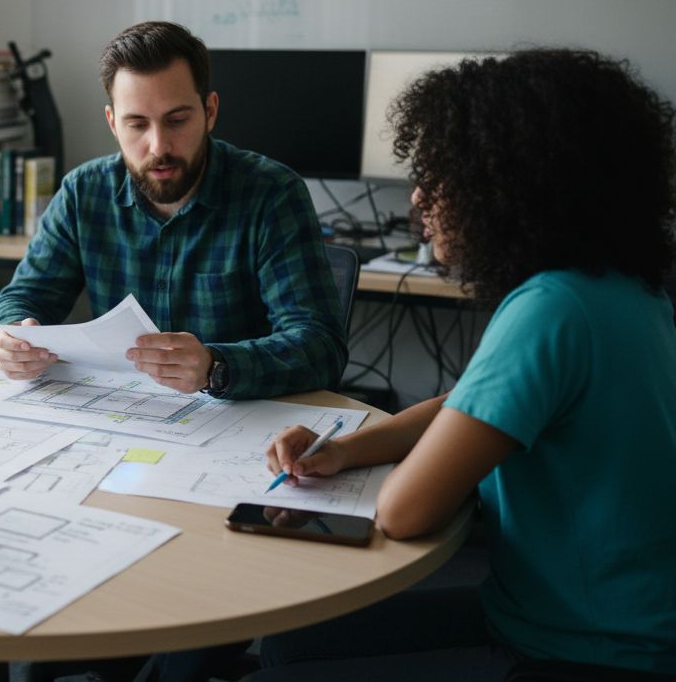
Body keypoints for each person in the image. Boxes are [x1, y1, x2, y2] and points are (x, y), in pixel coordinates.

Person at [242, 49, 676, 681]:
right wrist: (344, 451)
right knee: (291, 645)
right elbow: (464, 406)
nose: (419, 198)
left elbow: (403, 513)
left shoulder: (550, 310)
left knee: (279, 669)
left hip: (588, 651)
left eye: (439, 176)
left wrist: (364, 477)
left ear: (508, 187)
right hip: (580, 616)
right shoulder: (620, 287)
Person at [0, 21, 346, 401]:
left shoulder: (272, 194)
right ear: (113, 123)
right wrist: (9, 338)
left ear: (209, 111)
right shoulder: (83, 192)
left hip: (240, 421)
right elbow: (23, 297)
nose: (159, 146)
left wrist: (215, 366)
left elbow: (321, 347)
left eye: (176, 121)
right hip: (122, 413)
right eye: (137, 124)